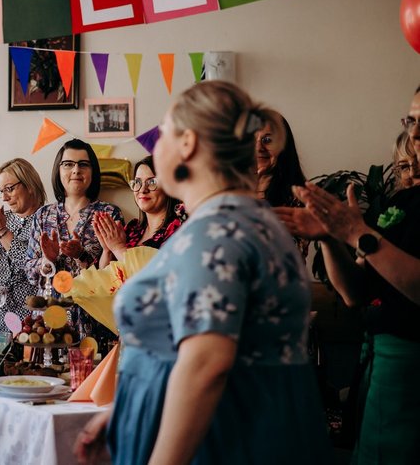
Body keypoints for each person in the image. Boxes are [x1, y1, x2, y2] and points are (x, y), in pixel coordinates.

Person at [76, 80, 331, 465]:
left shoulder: (216, 234)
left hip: (220, 441)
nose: (153, 147)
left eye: (160, 134)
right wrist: (124, 410)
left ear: (188, 143)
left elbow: (206, 364)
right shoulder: (249, 223)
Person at [276, 85, 420, 464]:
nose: (414, 135)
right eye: (412, 121)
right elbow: (356, 292)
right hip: (382, 366)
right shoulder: (404, 202)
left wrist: (357, 232)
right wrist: (329, 237)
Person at [26, 138, 124, 342]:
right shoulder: (43, 215)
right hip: (48, 326)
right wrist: (48, 261)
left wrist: (82, 256)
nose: (76, 170)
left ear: (92, 172)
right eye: (68, 164)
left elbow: (116, 274)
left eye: (83, 164)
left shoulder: (108, 214)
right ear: (58, 170)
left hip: (93, 322)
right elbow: (29, 271)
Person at [0, 158, 45, 332]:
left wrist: (1, 232)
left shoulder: (47, 219)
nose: (4, 197)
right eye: (1, 191)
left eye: (10, 189)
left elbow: (31, 266)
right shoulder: (4, 220)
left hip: (31, 318)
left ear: (29, 185)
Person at [92, 155, 186, 267]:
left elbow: (153, 278)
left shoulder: (179, 229)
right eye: (137, 182)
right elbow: (103, 276)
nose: (142, 190)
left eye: (152, 182)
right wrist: (107, 250)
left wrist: (118, 248)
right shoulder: (132, 228)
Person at [255, 111, 310, 258]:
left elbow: (291, 254)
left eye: (267, 140)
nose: (258, 147)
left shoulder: (299, 197)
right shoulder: (225, 192)